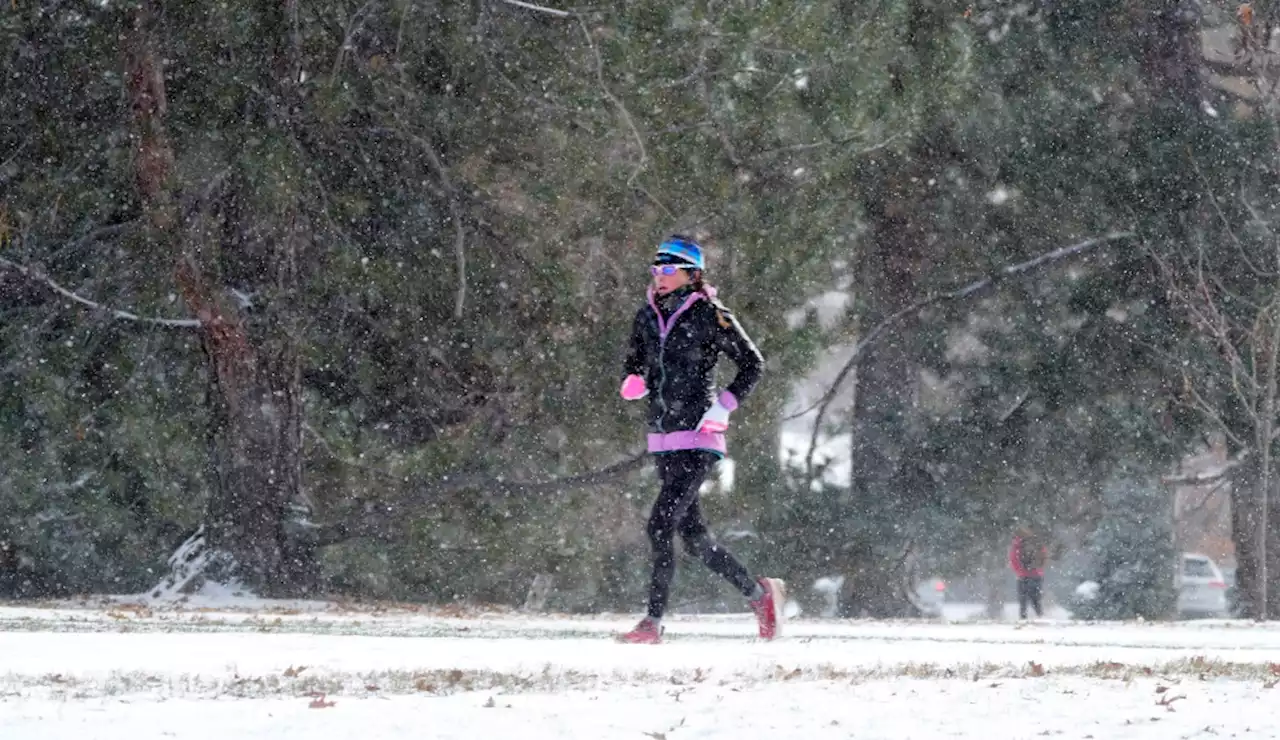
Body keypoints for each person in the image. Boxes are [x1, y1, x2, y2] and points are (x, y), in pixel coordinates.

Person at [616, 235, 785, 644]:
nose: (660, 277)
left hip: (699, 439)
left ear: (693, 274)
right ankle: (760, 595)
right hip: (663, 438)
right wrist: (634, 379)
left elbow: (752, 363)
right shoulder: (646, 316)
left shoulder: (710, 314)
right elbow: (635, 359)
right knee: (695, 540)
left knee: (659, 525)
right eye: (656, 270)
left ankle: (652, 623)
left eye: (669, 270)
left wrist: (724, 406)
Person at [1009, 525, 1048, 619]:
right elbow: (1044, 556)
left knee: (1023, 600)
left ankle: (1023, 618)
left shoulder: (1017, 544)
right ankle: (1040, 616)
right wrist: (1038, 569)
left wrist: (1020, 571)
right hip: (1037, 575)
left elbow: (1013, 559)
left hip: (1023, 576)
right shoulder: (1036, 542)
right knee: (1036, 599)